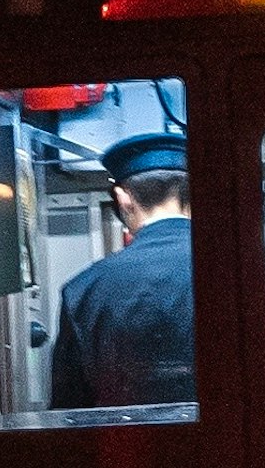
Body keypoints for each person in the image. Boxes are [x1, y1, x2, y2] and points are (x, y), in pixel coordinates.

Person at [51, 127, 199, 410]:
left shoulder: (83, 289)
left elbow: (70, 412)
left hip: (129, 452)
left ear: (123, 198)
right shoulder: (257, 265)